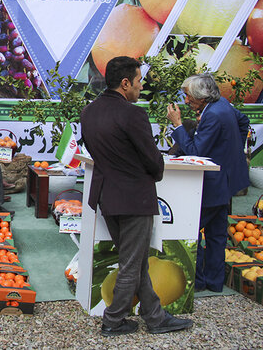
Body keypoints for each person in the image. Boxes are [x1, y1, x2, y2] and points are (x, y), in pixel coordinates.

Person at [81, 56, 193, 336]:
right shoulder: (133, 114)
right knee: (132, 263)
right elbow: (153, 160)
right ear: (125, 82)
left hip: (108, 197)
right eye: (139, 81)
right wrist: (154, 171)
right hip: (134, 198)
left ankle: (155, 317)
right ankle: (113, 320)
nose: (141, 87)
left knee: (137, 260)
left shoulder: (89, 112)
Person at [166, 73, 249, 292]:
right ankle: (214, 281)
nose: (185, 100)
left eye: (188, 96)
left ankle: (200, 281)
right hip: (225, 180)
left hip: (212, 183)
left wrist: (178, 125)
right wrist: (231, 151)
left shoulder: (213, 115)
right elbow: (244, 121)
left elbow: (195, 151)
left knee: (194, 228)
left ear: (201, 97)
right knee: (216, 233)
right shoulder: (223, 104)